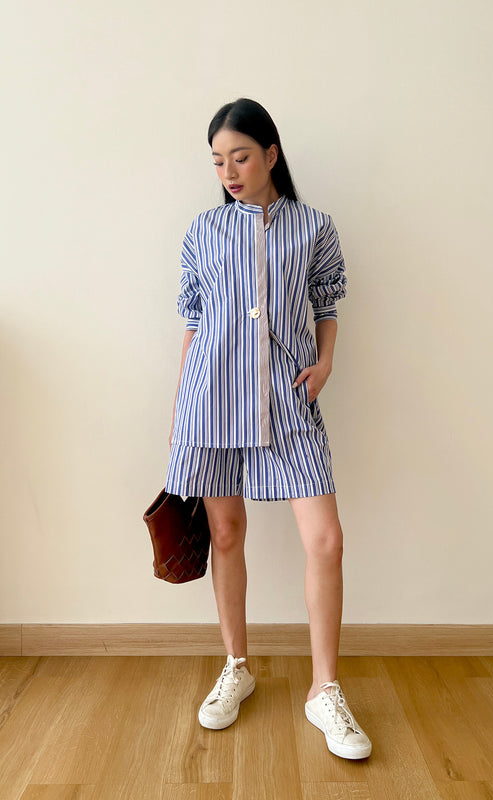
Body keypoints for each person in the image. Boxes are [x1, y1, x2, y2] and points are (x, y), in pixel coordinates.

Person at [166, 98, 372, 761]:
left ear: (271, 154)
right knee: (225, 533)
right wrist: (180, 412)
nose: (228, 171)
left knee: (326, 540)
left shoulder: (312, 227)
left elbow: (327, 302)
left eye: (241, 156)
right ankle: (236, 666)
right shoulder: (203, 230)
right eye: (218, 161)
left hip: (287, 400)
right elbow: (194, 323)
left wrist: (326, 362)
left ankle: (324, 690)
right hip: (212, 401)